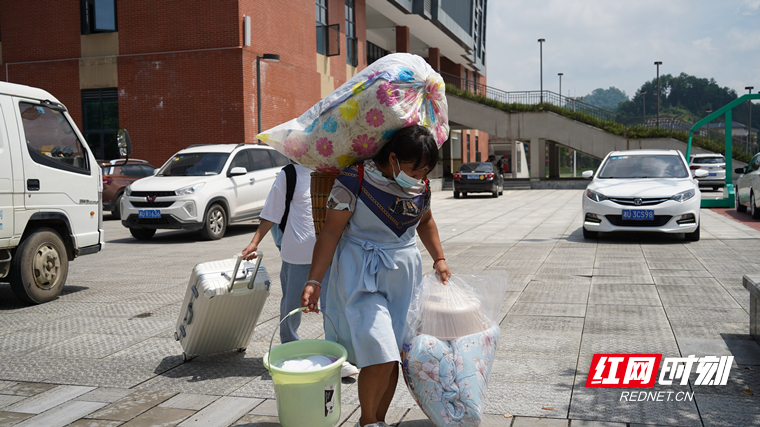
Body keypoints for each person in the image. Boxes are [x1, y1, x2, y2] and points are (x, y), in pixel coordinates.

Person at [301, 125, 451, 427]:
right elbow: (330, 232)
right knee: (381, 353)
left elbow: (426, 221)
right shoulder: (354, 179)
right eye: (414, 168)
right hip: (362, 275)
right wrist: (314, 280)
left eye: (426, 170)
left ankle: (378, 420)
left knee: (394, 355)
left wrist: (439, 258)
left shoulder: (420, 187)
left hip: (403, 279)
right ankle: (367, 422)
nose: (420, 175)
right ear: (393, 158)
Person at [241, 162, 359, 377]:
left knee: (334, 307)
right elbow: (272, 210)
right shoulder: (291, 173)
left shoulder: (338, 169)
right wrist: (255, 241)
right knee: (292, 304)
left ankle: (337, 357)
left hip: (332, 253)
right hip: (297, 253)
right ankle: (289, 350)